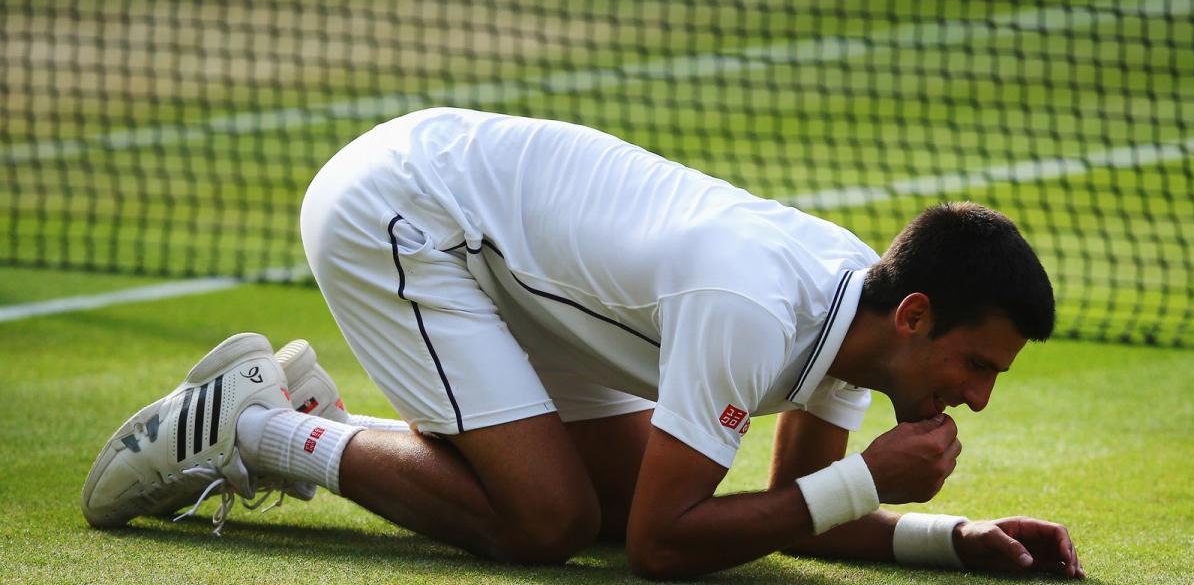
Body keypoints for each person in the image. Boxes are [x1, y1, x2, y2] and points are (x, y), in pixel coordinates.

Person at [81, 108, 1083, 579]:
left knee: (606, 503)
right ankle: (260, 427)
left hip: (510, 265)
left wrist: (952, 542)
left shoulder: (857, 317)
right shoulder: (754, 308)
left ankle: (305, 419)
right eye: (977, 365)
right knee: (549, 523)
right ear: (915, 320)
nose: (980, 397)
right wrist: (868, 481)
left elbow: (792, 514)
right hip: (404, 216)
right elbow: (665, 550)